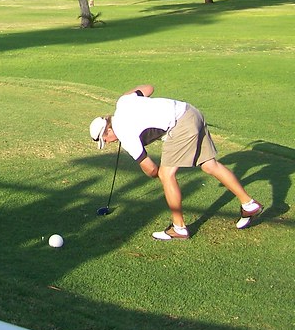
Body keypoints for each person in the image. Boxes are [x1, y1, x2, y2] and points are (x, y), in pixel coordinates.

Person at [88, 84, 263, 241]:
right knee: (210, 165)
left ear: (108, 128)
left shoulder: (125, 135)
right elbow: (149, 88)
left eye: (106, 139)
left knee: (166, 174)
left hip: (180, 125)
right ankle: (249, 204)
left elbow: (150, 169)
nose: (109, 142)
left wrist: (159, 177)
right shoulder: (123, 102)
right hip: (191, 112)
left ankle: (179, 228)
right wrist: (130, 98)